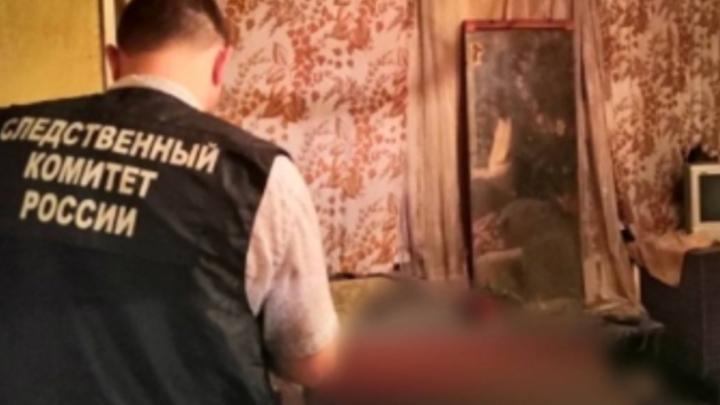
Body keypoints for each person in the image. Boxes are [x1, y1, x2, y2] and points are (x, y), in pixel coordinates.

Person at [0, 0, 338, 403]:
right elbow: (310, 363)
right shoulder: (256, 174)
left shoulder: (8, 137)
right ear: (221, 63)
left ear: (114, 60)